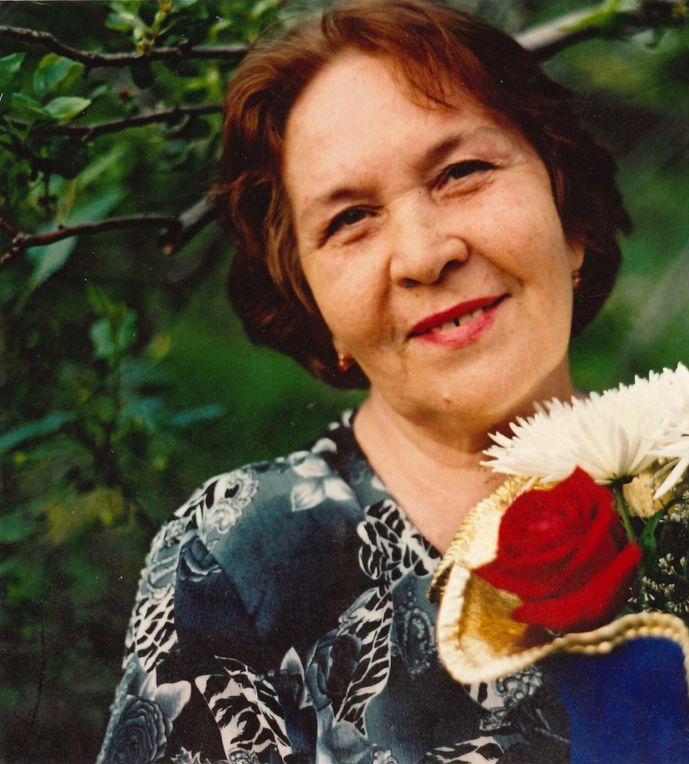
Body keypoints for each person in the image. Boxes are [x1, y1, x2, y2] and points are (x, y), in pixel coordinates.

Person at [96, 1, 629, 762]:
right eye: (349, 219)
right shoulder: (237, 561)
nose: (425, 255)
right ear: (313, 306)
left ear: (569, 215)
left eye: (463, 173)